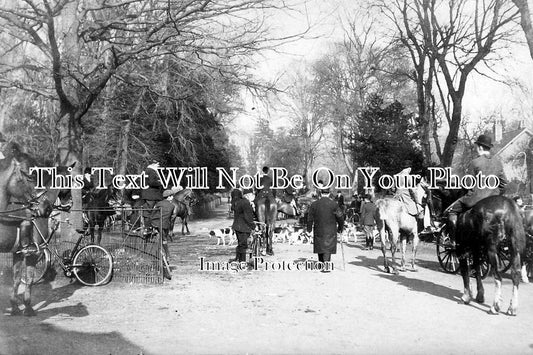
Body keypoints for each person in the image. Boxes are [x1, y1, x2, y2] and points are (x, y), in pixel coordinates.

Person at [447, 134, 507, 238]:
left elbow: (468, 184)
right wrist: (496, 195)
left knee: (451, 210)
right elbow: (504, 184)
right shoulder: (498, 163)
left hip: (475, 199)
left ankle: (454, 240)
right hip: (494, 200)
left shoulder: (475, 162)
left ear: (480, 147)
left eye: (477, 147)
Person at [306, 186, 344, 272]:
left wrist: (309, 229)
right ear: (329, 194)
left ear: (320, 194)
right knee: (328, 246)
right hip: (330, 229)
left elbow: (309, 218)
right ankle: (326, 266)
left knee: (320, 245)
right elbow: (340, 217)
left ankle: (321, 264)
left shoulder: (314, 204)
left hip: (318, 228)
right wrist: (340, 228)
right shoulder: (334, 204)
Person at [151, 189, 179, 268]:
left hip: (155, 224)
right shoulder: (172, 206)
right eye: (172, 196)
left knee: (156, 239)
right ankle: (167, 255)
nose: (172, 197)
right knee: (164, 241)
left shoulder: (158, 204)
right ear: (169, 197)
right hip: (165, 225)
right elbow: (173, 216)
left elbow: (153, 212)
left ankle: (158, 254)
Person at [231, 189, 256, 263]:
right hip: (243, 227)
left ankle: (238, 259)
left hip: (236, 226)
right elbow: (248, 217)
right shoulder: (245, 202)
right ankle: (242, 261)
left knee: (240, 244)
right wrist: (253, 226)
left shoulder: (235, 202)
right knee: (243, 245)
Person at [141, 161, 164, 230]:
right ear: (153, 164)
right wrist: (160, 183)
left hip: (150, 195)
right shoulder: (151, 171)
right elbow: (151, 182)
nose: (158, 165)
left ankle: (149, 228)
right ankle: (149, 228)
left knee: (150, 211)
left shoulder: (148, 171)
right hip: (152, 195)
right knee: (149, 212)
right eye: (157, 164)